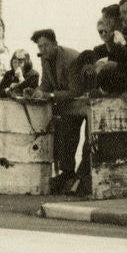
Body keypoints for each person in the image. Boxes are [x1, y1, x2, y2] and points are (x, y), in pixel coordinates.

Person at [30, 28, 82, 192]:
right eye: (40, 46)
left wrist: (49, 95)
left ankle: (73, 176)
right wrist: (36, 91)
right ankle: (66, 173)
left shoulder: (70, 59)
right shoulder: (45, 59)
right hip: (64, 102)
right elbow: (46, 83)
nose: (42, 50)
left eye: (45, 45)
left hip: (81, 102)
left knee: (69, 131)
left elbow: (75, 91)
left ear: (55, 44)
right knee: (60, 132)